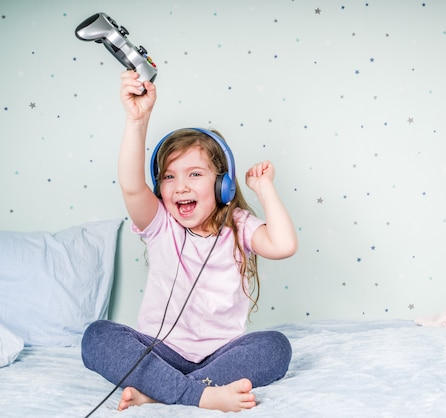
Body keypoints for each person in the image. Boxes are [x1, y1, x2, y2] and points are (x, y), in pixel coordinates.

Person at [81, 71, 298, 413]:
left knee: (276, 346)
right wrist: (138, 119)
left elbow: (283, 245)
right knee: (96, 336)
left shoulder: (239, 225)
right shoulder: (160, 223)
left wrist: (265, 189)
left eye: (195, 174)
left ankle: (159, 392)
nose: (180, 186)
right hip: (159, 354)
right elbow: (131, 185)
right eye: (169, 177)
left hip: (221, 357)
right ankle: (200, 395)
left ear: (222, 186)